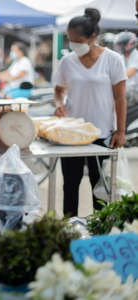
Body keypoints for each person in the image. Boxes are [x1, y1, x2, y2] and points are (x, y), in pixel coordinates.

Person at [53, 8, 127, 217]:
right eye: (70, 39)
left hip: (102, 134)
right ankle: (70, 231)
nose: (72, 43)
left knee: (101, 190)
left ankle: (100, 234)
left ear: (93, 38)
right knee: (70, 186)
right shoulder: (67, 61)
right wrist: (59, 103)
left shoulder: (113, 60)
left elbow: (120, 98)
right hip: (71, 135)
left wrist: (120, 131)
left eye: (77, 40)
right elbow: (59, 90)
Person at [115, 31, 138, 107]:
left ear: (130, 44)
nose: (119, 47)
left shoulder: (136, 55)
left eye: (121, 44)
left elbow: (129, 74)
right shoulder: (122, 57)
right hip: (126, 89)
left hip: (134, 91)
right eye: (119, 45)